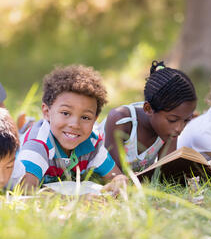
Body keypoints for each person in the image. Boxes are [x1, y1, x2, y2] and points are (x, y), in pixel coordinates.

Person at [18, 65, 128, 193]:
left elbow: (114, 176)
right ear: (47, 111)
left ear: (95, 119)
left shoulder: (92, 142)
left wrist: (119, 181)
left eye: (85, 117)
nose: (75, 124)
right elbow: (25, 192)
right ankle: (24, 126)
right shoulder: (38, 145)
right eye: (65, 113)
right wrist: (76, 201)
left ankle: (27, 124)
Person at [101, 60, 197, 173]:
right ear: (148, 109)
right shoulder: (121, 119)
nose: (179, 128)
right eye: (172, 120)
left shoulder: (169, 132)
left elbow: (165, 173)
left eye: (186, 120)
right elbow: (113, 174)